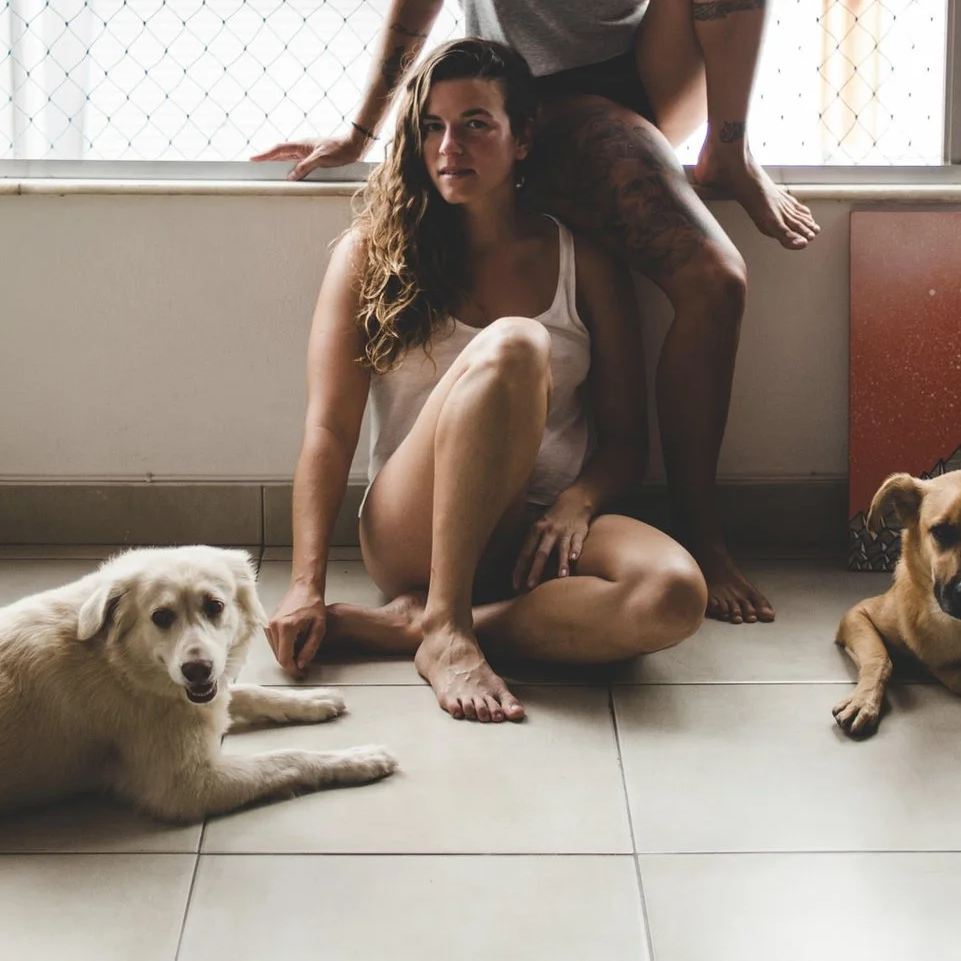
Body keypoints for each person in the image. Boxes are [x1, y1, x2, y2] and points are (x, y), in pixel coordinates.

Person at [257, 0, 949, 623]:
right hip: (546, 105)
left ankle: (730, 150)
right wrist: (366, 131)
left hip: (639, 69)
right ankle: (702, 532)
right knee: (713, 276)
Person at [266, 37, 706, 723]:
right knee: (516, 344)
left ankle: (431, 625)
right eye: (433, 126)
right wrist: (303, 584)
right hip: (416, 527)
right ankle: (445, 625)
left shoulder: (579, 258)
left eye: (476, 123)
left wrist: (580, 500)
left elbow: (625, 439)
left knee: (673, 593)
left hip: (541, 527)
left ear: (522, 137)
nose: (449, 146)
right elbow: (329, 428)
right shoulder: (369, 254)